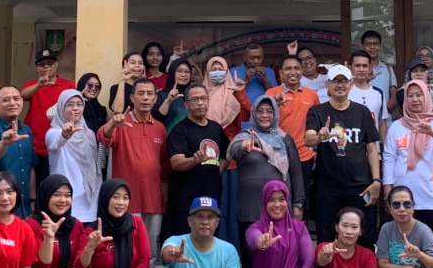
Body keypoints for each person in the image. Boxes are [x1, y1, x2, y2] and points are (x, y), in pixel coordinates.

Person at [304, 65, 382, 242]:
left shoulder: (362, 112)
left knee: (364, 235)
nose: (340, 85)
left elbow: (371, 148)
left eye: (344, 81)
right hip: (327, 186)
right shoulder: (317, 111)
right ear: (327, 84)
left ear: (351, 84)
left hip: (360, 185)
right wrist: (319, 137)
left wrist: (376, 180)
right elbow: (308, 139)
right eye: (335, 81)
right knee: (326, 236)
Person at [101, 79, 169, 252]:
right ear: (132, 98)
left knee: (151, 252)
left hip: (153, 201)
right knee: (127, 250)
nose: (145, 98)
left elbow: (164, 169)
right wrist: (112, 124)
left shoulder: (160, 128)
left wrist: (164, 198)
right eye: (141, 93)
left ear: (155, 98)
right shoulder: (121, 123)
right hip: (126, 202)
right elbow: (103, 137)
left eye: (149, 94)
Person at [383, 80, 433, 243]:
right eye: (410, 96)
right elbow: (389, 158)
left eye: (419, 95)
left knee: (431, 247)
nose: (415, 99)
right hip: (402, 199)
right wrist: (387, 188)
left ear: (426, 97)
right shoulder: (396, 126)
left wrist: (432, 132)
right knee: (402, 247)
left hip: (430, 198)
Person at [230, 92, 305, 233]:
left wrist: (298, 204)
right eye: (260, 111)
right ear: (253, 113)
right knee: (253, 245)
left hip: (280, 208)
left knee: (281, 245)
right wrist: (244, 147)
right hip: (252, 209)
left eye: (269, 111)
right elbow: (234, 151)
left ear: (275, 114)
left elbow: (296, 173)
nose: (264, 115)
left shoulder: (285, 139)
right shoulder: (245, 137)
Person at [165, 83, 229, 240]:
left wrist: (217, 172)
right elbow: (176, 163)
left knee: (210, 243)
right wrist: (195, 160)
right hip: (185, 203)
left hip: (212, 200)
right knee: (184, 245)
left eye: (203, 98)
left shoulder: (216, 128)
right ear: (186, 104)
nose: (200, 103)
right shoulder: (179, 130)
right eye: (195, 99)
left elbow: (226, 156)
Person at [45, 88, 102, 223]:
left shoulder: (89, 134)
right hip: (65, 201)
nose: (75, 108)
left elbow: (96, 168)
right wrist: (65, 134)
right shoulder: (53, 132)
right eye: (69, 105)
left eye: (79, 104)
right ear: (61, 108)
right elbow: (56, 142)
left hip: (90, 201)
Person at [21, 46, 75, 183]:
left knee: (57, 183)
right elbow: (22, 96)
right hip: (35, 143)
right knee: (36, 183)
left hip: (60, 141)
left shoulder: (69, 85)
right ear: (37, 68)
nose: (46, 67)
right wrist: (39, 85)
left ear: (56, 65)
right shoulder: (31, 84)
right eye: (42, 64)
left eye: (50, 63)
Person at [0, 85, 35, 209]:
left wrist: (32, 201)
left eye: (16, 99)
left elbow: (30, 168)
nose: (12, 103)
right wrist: (4, 143)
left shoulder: (26, 131)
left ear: (22, 102)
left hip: (24, 207)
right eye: (6, 100)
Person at [269, 53, 319, 179]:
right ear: (280, 73)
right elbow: (262, 123)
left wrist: (316, 151)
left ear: (301, 71)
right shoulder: (271, 94)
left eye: (296, 68)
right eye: (288, 69)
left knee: (302, 191)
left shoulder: (311, 95)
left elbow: (318, 125)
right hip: (278, 155)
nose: (293, 72)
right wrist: (274, 104)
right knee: (279, 191)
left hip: (305, 156)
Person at [347, 49, 387, 138]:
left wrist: (384, 145)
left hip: (374, 144)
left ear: (370, 68)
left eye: (365, 66)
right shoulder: (345, 92)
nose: (361, 69)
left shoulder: (378, 93)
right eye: (357, 66)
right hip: (351, 144)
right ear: (350, 68)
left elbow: (382, 123)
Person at [203, 55, 246, 138]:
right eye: (214, 70)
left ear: (226, 72)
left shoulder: (234, 93)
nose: (217, 72)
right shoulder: (201, 94)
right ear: (208, 72)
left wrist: (240, 93)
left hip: (229, 139)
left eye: (220, 69)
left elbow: (247, 115)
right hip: (206, 139)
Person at [153, 56, 197, 133]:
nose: (184, 75)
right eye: (179, 71)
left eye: (187, 72)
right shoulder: (162, 95)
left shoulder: (193, 95)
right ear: (172, 73)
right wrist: (168, 101)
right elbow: (156, 118)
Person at [360, 30, 397, 116]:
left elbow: (394, 97)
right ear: (362, 46)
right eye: (368, 44)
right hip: (361, 118)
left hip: (384, 119)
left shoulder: (388, 69)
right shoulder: (358, 69)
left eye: (375, 44)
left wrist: (382, 113)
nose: (372, 47)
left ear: (380, 46)